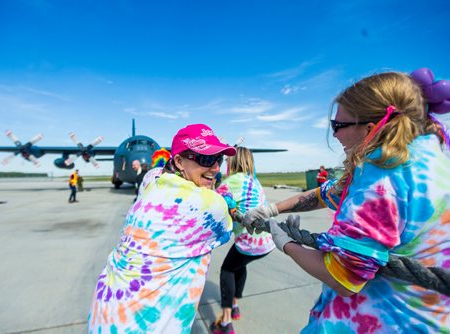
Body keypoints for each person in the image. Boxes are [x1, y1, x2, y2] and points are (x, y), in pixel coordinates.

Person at [243, 68, 450, 332]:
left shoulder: (382, 175)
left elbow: (343, 278)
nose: (335, 134)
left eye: (338, 126)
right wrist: (272, 208)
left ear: (371, 127)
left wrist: (286, 243)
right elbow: (324, 194)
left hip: (380, 322)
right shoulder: (423, 159)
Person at [88, 123, 237, 333]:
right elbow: (228, 226)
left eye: (219, 159)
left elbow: (158, 171)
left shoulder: (151, 179)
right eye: (206, 159)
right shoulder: (210, 204)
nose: (215, 168)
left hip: (105, 314)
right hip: (144, 326)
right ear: (178, 161)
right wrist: (226, 199)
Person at [211, 147, 275, 334]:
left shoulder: (229, 183)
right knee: (240, 264)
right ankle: (236, 305)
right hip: (266, 242)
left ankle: (226, 322)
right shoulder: (255, 181)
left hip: (249, 241)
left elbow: (215, 208)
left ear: (232, 161)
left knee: (227, 270)